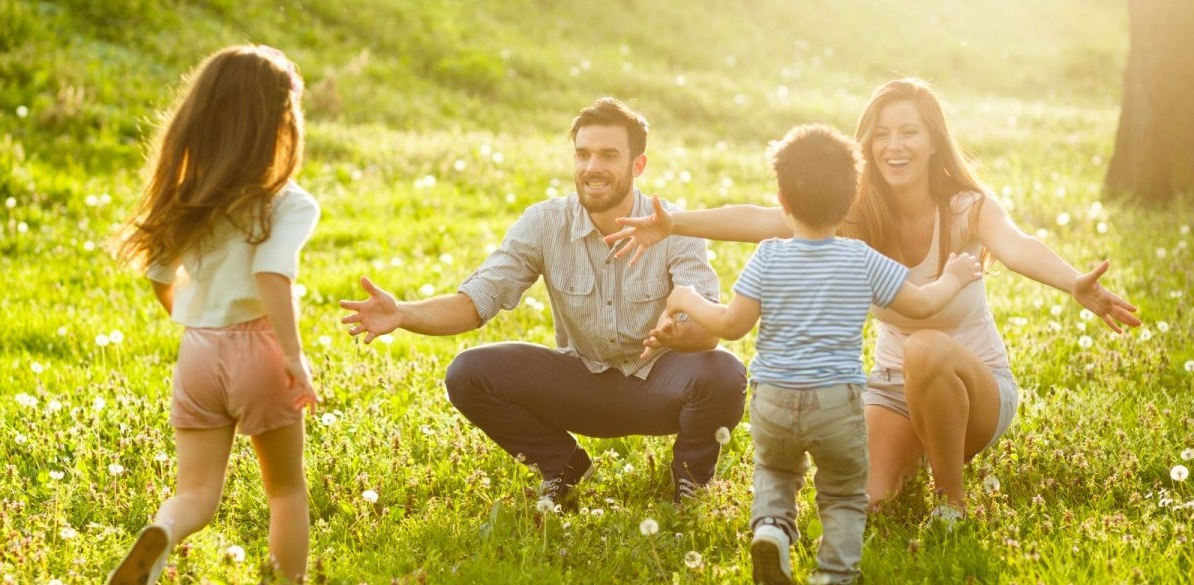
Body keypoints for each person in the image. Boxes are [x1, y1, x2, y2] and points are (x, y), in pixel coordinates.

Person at [606, 78, 1141, 523]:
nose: (895, 145)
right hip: (890, 391)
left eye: (910, 132)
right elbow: (763, 219)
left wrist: (1073, 281)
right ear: (867, 145)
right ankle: (920, 451)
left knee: (925, 348)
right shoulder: (856, 213)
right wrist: (673, 222)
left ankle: (951, 502)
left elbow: (1018, 246)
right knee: (867, 503)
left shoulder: (967, 208)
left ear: (934, 141)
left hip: (975, 389)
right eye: (882, 134)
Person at [338, 97, 747, 508]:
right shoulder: (544, 223)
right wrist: (402, 313)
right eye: (583, 154)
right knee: (468, 372)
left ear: (637, 165)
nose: (592, 167)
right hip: (581, 382)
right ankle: (563, 465)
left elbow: (708, 333)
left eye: (608, 155)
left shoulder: (674, 227)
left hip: (659, 385)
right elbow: (475, 302)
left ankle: (691, 479)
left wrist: (681, 333)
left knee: (725, 373)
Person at [661, 124, 982, 585]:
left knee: (775, 470)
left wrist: (687, 298)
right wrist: (954, 275)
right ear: (853, 199)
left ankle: (772, 529)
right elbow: (925, 303)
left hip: (773, 397)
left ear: (784, 202)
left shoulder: (769, 256)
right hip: (836, 401)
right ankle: (833, 573)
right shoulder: (861, 258)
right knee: (843, 493)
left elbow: (732, 324)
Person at [106, 45, 322, 585]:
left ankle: (163, 531)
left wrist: (193, 314)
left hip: (198, 351)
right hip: (259, 350)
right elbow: (272, 277)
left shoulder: (188, 194)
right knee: (286, 490)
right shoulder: (287, 202)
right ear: (279, 123)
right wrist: (293, 357)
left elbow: (160, 274)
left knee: (196, 494)